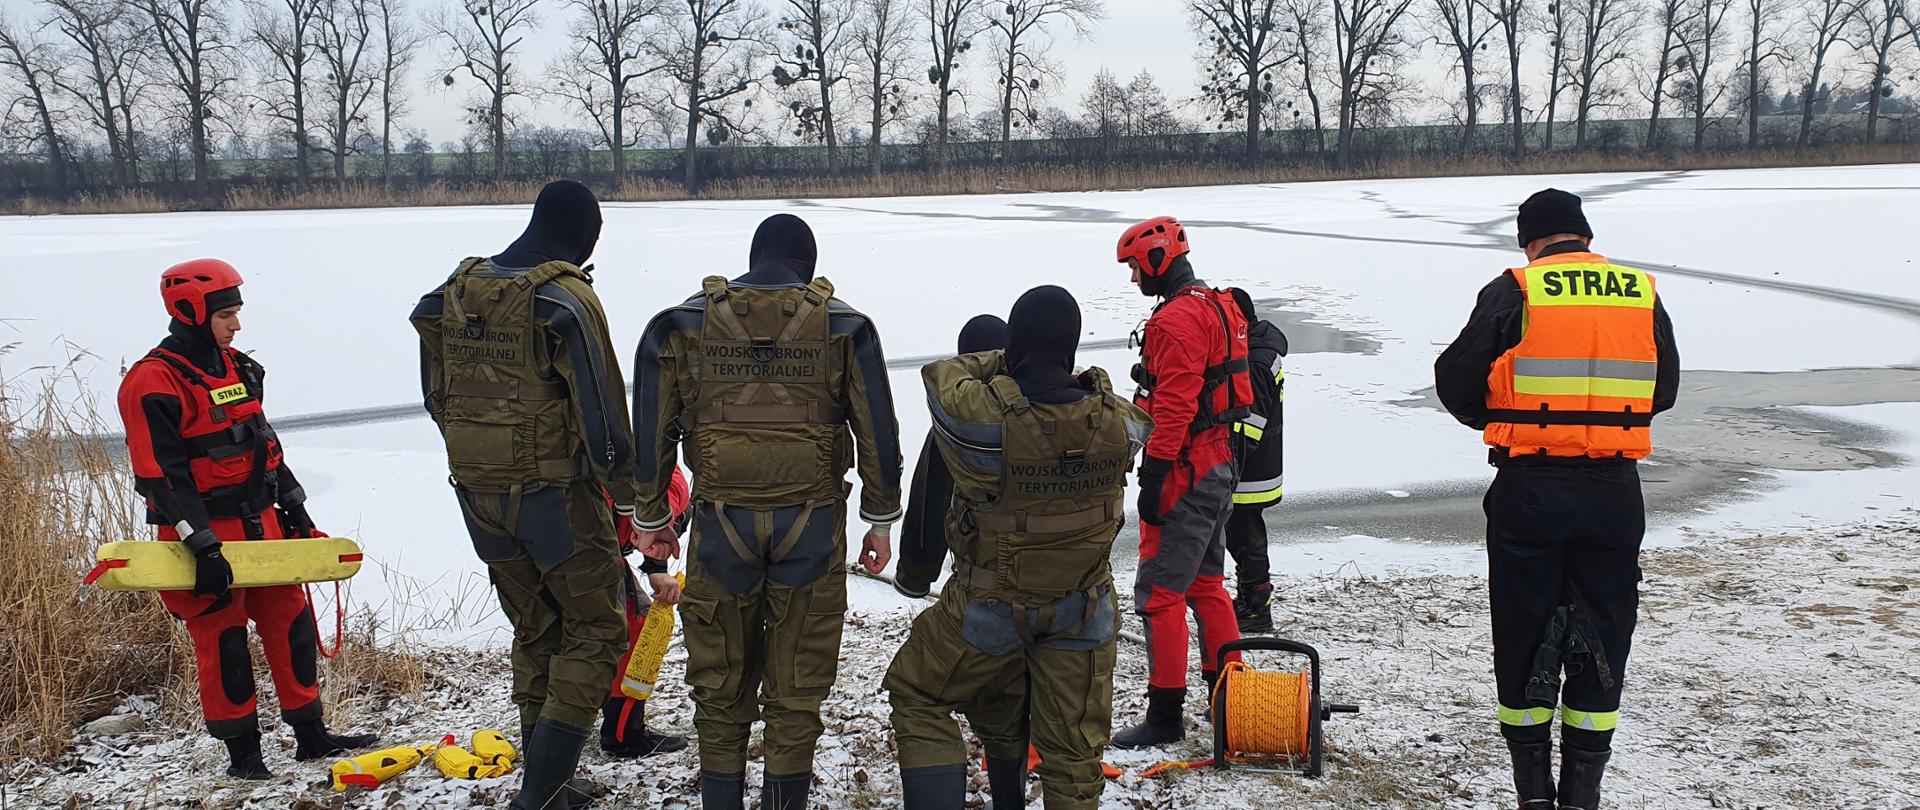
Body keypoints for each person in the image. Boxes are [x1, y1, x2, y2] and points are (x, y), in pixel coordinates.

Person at [410, 180, 671, 810]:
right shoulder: (564, 301)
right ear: (587, 238)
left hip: (477, 493)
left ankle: (548, 782)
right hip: (554, 497)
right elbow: (603, 418)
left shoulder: (452, 293)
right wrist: (635, 506)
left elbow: (437, 396)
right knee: (598, 627)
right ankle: (544, 789)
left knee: (536, 628)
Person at [629, 213, 903, 810]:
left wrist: (650, 519)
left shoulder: (682, 324)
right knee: (798, 686)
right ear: (808, 268)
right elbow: (878, 432)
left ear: (753, 261)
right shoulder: (845, 326)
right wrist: (880, 522)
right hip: (813, 528)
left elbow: (650, 430)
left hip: (719, 528)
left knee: (719, 683)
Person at [1434, 189, 1679, 810]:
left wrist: (1507, 420)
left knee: (1522, 628)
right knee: (1605, 632)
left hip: (1531, 487)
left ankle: (1534, 795)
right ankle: (1581, 795)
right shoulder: (1639, 292)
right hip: (1613, 490)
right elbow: (1664, 389)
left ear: (1530, 240)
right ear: (1584, 235)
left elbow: (1455, 380)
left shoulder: (1516, 290)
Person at [885, 286, 1151, 810]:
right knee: (1073, 753)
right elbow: (1129, 418)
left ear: (1015, 347)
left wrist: (1003, 360)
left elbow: (942, 376)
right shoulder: (1120, 424)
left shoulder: (981, 431)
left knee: (918, 693)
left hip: (993, 605)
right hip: (1084, 611)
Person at [118, 258, 378, 779]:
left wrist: (296, 510)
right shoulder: (152, 382)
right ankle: (244, 757)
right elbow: (160, 476)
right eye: (226, 315)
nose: (236, 325)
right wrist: (201, 545)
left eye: (237, 312)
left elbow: (263, 445)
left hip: (262, 522)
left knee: (292, 622)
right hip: (202, 533)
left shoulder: (240, 369)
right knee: (224, 639)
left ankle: (311, 735)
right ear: (190, 311)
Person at [1110, 216, 1252, 749]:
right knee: (1206, 585)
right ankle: (1231, 703)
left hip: (1187, 470)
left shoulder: (1174, 321)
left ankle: (1165, 715)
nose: (1133, 279)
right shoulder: (1218, 305)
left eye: (1134, 268)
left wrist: (1154, 476)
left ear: (1156, 259)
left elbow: (1173, 409)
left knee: (1159, 593)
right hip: (1219, 462)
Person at [892, 313, 1011, 599]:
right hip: (1074, 585)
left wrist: (914, 576)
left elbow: (930, 504)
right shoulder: (1065, 413)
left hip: (988, 587)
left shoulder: (957, 430)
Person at [602, 466, 692, 759]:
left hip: (527, 534)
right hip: (588, 549)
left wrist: (656, 568)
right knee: (633, 625)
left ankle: (541, 742)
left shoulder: (667, 483)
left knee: (542, 638)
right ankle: (623, 735)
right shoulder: (657, 485)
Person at [1223, 290, 1288, 634]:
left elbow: (1251, 424)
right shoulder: (1260, 349)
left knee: (1245, 538)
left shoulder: (1256, 361)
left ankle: (1256, 608)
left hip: (1249, 472)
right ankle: (1249, 598)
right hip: (1257, 466)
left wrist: (1228, 461)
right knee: (1243, 536)